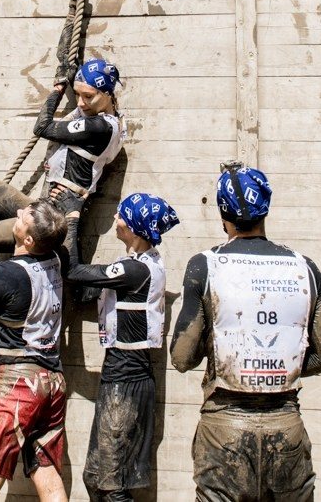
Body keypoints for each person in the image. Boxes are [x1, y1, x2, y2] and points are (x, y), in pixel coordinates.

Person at [171, 163, 321, 502]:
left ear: (222, 214)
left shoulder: (205, 265)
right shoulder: (305, 267)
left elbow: (182, 357)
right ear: (266, 209)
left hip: (224, 430)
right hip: (286, 427)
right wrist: (277, 362)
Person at [0, 54, 125, 325]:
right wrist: (67, 67)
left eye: (89, 97)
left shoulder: (100, 126)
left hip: (55, 216)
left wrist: (57, 90)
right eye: (78, 96)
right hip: (42, 204)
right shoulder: (89, 114)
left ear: (108, 95)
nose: (82, 103)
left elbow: (42, 126)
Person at [0, 199, 70, 502]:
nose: (16, 213)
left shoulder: (7, 274)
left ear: (29, 239)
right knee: (46, 471)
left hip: (18, 384)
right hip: (53, 382)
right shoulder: (56, 258)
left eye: (24, 217)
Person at [66, 192, 179, 502]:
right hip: (117, 376)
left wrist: (72, 222)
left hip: (127, 382)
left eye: (120, 215)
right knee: (94, 477)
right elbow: (86, 291)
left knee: (113, 487)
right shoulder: (132, 264)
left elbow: (75, 272)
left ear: (135, 226)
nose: (115, 220)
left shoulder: (135, 271)